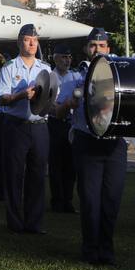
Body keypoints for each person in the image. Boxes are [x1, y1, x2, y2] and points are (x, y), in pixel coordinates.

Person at [54, 28, 124, 264]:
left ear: (108, 49)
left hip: (114, 143)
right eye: (92, 46)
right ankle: (90, 249)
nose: (96, 50)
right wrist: (70, 102)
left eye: (101, 46)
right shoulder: (75, 78)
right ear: (86, 49)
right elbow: (57, 111)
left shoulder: (119, 78)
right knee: (90, 199)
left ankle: (107, 248)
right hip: (86, 141)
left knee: (112, 198)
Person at [0, 24, 51, 234]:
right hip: (16, 126)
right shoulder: (9, 67)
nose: (32, 43)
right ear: (20, 42)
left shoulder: (45, 68)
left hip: (39, 126)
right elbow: (1, 98)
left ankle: (34, 223)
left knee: (37, 175)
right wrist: (20, 96)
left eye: (35, 40)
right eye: (28, 40)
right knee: (14, 175)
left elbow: (52, 98)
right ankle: (15, 222)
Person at [47, 44, 78, 214]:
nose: (67, 60)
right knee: (56, 164)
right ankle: (57, 200)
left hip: (71, 123)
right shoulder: (50, 76)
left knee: (70, 165)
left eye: (69, 57)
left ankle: (68, 200)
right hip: (55, 123)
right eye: (64, 57)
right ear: (55, 58)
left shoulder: (75, 77)